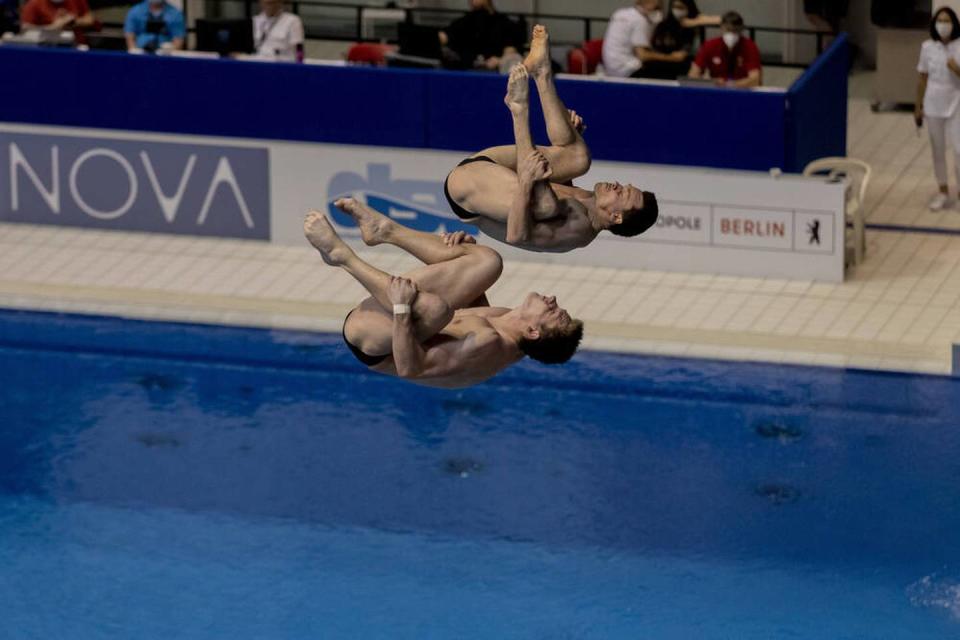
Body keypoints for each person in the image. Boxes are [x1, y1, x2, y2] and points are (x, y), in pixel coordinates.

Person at [303, 201, 583, 388]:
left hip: (374, 343)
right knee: (487, 263)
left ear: (534, 331)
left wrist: (401, 309)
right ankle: (385, 231)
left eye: (554, 313)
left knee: (437, 309)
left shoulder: (489, 346)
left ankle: (341, 257)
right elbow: (468, 315)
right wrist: (462, 254)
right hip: (411, 319)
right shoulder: (508, 320)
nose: (553, 301)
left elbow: (410, 368)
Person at [444, 25, 658, 253]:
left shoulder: (578, 231)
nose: (617, 185)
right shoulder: (588, 202)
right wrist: (572, 136)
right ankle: (542, 71)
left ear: (616, 217)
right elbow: (552, 186)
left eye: (622, 193)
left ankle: (519, 110)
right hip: (492, 167)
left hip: (465, 188)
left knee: (545, 205)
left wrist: (527, 182)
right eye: (624, 186)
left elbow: (517, 235)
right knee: (578, 159)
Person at [915, 7, 960, 211]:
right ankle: (943, 191)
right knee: (938, 150)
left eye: (947, 21)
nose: (943, 25)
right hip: (933, 104)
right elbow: (923, 77)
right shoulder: (927, 48)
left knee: (959, 151)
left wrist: (956, 69)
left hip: (956, 103)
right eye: (940, 20)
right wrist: (918, 106)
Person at [602, 0, 688, 78]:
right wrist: (672, 57)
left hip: (611, 69)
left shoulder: (620, 13)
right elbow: (643, 55)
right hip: (627, 71)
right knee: (676, 68)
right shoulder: (640, 20)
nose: (659, 11)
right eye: (658, 7)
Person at [639, 0, 719, 79]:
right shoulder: (664, 25)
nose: (677, 10)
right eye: (674, 7)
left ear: (688, 8)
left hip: (684, 67)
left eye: (681, 7)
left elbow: (722, 20)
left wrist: (696, 22)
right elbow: (655, 48)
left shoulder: (695, 27)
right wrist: (669, 57)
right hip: (662, 65)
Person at [439, 0, 525, 71]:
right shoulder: (465, 22)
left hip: (492, 76)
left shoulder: (505, 24)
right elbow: (444, 36)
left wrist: (500, 61)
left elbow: (510, 53)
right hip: (465, 74)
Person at [688, 11, 761, 88]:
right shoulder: (710, 45)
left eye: (735, 30)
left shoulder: (750, 46)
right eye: (728, 30)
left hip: (743, 91)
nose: (731, 34)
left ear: (741, 30)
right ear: (721, 28)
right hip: (716, 91)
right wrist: (712, 82)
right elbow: (693, 75)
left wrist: (729, 85)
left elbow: (755, 80)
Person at [20, 0, 95, 34]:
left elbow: (89, 19)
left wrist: (73, 21)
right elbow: (25, 28)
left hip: (77, 47)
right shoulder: (34, 3)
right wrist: (54, 27)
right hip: (46, 48)